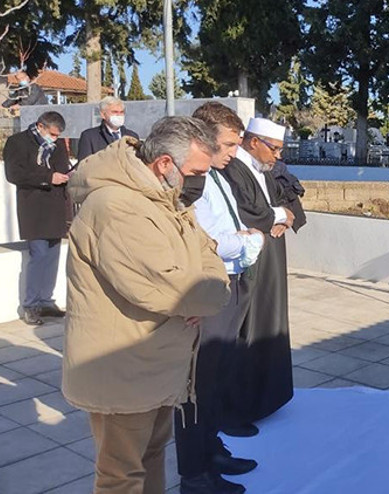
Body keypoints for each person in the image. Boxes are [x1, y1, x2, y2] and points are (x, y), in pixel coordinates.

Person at [62, 117, 230, 494]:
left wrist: (210, 285)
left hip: (155, 364)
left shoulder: (165, 200)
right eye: (195, 172)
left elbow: (209, 255)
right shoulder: (117, 207)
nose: (199, 180)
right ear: (165, 164)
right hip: (122, 368)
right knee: (121, 475)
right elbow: (167, 288)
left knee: (152, 455)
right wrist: (213, 294)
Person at [173, 103, 264, 494]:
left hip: (232, 281)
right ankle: (194, 473)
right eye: (228, 144)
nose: (234, 152)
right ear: (205, 138)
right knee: (198, 384)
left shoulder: (219, 175)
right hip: (210, 286)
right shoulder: (193, 180)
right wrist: (245, 242)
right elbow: (203, 241)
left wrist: (245, 238)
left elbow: (232, 223)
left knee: (218, 376)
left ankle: (212, 448)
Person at [220, 118, 295, 435]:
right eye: (274, 148)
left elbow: (282, 197)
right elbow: (249, 211)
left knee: (269, 324)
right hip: (250, 260)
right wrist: (278, 215)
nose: (277, 156)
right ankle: (238, 406)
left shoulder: (264, 169)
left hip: (270, 255)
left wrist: (287, 215)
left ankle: (266, 399)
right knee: (246, 330)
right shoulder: (234, 169)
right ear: (254, 142)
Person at [3, 111, 70, 325]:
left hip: (56, 205)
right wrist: (48, 177)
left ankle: (46, 301)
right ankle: (31, 304)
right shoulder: (18, 142)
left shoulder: (57, 145)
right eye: (52, 134)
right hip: (34, 206)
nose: (55, 139)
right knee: (38, 254)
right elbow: (15, 174)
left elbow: (63, 167)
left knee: (53, 255)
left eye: (58, 135)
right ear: (40, 126)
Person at [77, 96, 140, 161]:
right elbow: (84, 166)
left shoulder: (132, 136)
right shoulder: (89, 137)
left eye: (121, 112)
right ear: (103, 115)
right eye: (114, 112)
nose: (119, 115)